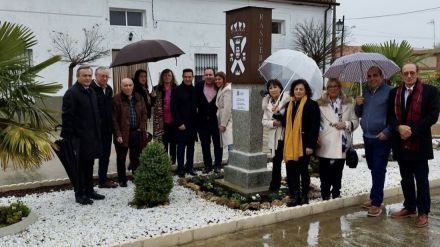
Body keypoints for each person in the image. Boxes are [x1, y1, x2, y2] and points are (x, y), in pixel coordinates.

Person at [388, 63, 439, 227]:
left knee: (422, 179)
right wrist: (398, 127)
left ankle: (423, 212)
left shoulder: (429, 91)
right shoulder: (394, 93)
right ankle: (410, 207)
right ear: (402, 75)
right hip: (401, 143)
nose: (409, 76)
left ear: (417, 73)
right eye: (405, 73)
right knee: (406, 178)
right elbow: (389, 115)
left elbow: (433, 115)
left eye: (412, 72)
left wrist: (412, 130)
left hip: (419, 144)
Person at [61, 65, 105, 205]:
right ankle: (79, 193)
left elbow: (95, 114)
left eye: (89, 75)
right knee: (80, 167)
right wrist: (71, 139)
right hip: (79, 138)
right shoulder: (72, 93)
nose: (87, 78)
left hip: (92, 136)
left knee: (89, 164)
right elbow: (67, 117)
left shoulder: (91, 91)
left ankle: (89, 190)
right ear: (78, 77)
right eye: (84, 75)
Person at [275, 79, 320, 207]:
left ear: (306, 91)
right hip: (290, 144)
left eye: (301, 89)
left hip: (304, 145)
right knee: (291, 171)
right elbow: (285, 122)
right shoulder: (290, 104)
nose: (298, 91)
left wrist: (311, 145)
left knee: (303, 171)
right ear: (293, 91)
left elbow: (314, 127)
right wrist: (277, 113)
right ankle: (295, 196)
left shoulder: (312, 105)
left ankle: (304, 196)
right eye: (296, 89)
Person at [355, 66, 392, 217]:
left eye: (375, 75)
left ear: (381, 76)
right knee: (373, 167)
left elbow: (396, 115)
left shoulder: (390, 92)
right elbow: (359, 114)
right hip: (367, 137)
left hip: (382, 138)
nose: (371, 79)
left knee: (378, 168)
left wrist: (387, 132)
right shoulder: (365, 93)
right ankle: (374, 195)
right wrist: (358, 104)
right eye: (369, 76)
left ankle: (376, 202)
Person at [316, 78, 359, 200]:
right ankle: (325, 193)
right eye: (330, 87)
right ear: (327, 89)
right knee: (324, 170)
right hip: (325, 140)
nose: (333, 89)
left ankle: (336, 192)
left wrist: (345, 124)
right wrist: (315, 136)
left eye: (336, 86)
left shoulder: (348, 103)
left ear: (340, 88)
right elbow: (314, 122)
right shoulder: (320, 103)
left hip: (342, 141)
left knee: (337, 170)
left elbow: (355, 121)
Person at [112, 78, 148, 187]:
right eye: (125, 85)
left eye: (130, 85)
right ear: (121, 87)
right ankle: (122, 179)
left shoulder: (139, 97)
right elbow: (113, 119)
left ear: (133, 86)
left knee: (136, 157)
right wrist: (117, 134)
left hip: (136, 132)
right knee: (121, 157)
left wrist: (141, 128)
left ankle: (136, 176)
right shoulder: (116, 99)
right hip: (122, 134)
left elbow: (144, 114)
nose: (128, 87)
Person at [91, 66, 118, 189]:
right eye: (102, 76)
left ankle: (103, 179)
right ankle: (87, 181)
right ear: (96, 76)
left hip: (107, 129)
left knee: (105, 155)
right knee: (91, 156)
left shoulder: (109, 89)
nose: (105, 78)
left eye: (107, 76)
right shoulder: (90, 89)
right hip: (94, 129)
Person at [261, 79, 290, 192]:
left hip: (287, 135)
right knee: (276, 162)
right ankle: (274, 186)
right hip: (274, 137)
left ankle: (291, 185)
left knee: (289, 162)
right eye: (270, 88)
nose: (273, 90)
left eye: (275, 87)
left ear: (280, 88)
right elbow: (264, 121)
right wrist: (273, 123)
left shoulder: (287, 100)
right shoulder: (267, 104)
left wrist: (280, 114)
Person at [171, 69, 198, 177]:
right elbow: (173, 108)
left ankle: (189, 167)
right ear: (182, 77)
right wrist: (179, 123)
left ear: (193, 77)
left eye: (189, 77)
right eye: (185, 77)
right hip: (181, 125)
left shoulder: (195, 90)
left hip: (192, 124)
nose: (187, 79)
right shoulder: (177, 90)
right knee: (181, 148)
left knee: (191, 147)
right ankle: (181, 169)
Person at [196, 67, 223, 173]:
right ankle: (207, 165)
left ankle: (217, 165)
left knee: (218, 144)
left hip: (216, 121)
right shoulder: (198, 86)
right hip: (202, 121)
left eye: (210, 75)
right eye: (206, 75)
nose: (208, 77)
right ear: (203, 76)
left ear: (214, 75)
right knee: (205, 145)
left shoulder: (219, 86)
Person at [151, 69, 178, 164]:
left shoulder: (176, 88)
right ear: (162, 77)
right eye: (165, 75)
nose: (167, 77)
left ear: (172, 77)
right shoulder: (156, 88)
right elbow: (151, 104)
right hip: (161, 121)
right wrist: (152, 97)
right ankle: (164, 162)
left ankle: (173, 161)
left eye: (169, 75)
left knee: (174, 142)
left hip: (174, 120)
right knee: (163, 141)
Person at [214, 71, 233, 173]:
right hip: (222, 118)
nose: (217, 81)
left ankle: (232, 165)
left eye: (219, 79)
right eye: (216, 79)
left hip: (228, 121)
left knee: (230, 143)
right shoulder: (221, 89)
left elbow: (227, 109)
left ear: (224, 79)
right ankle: (231, 164)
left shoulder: (228, 90)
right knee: (229, 143)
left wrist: (223, 124)